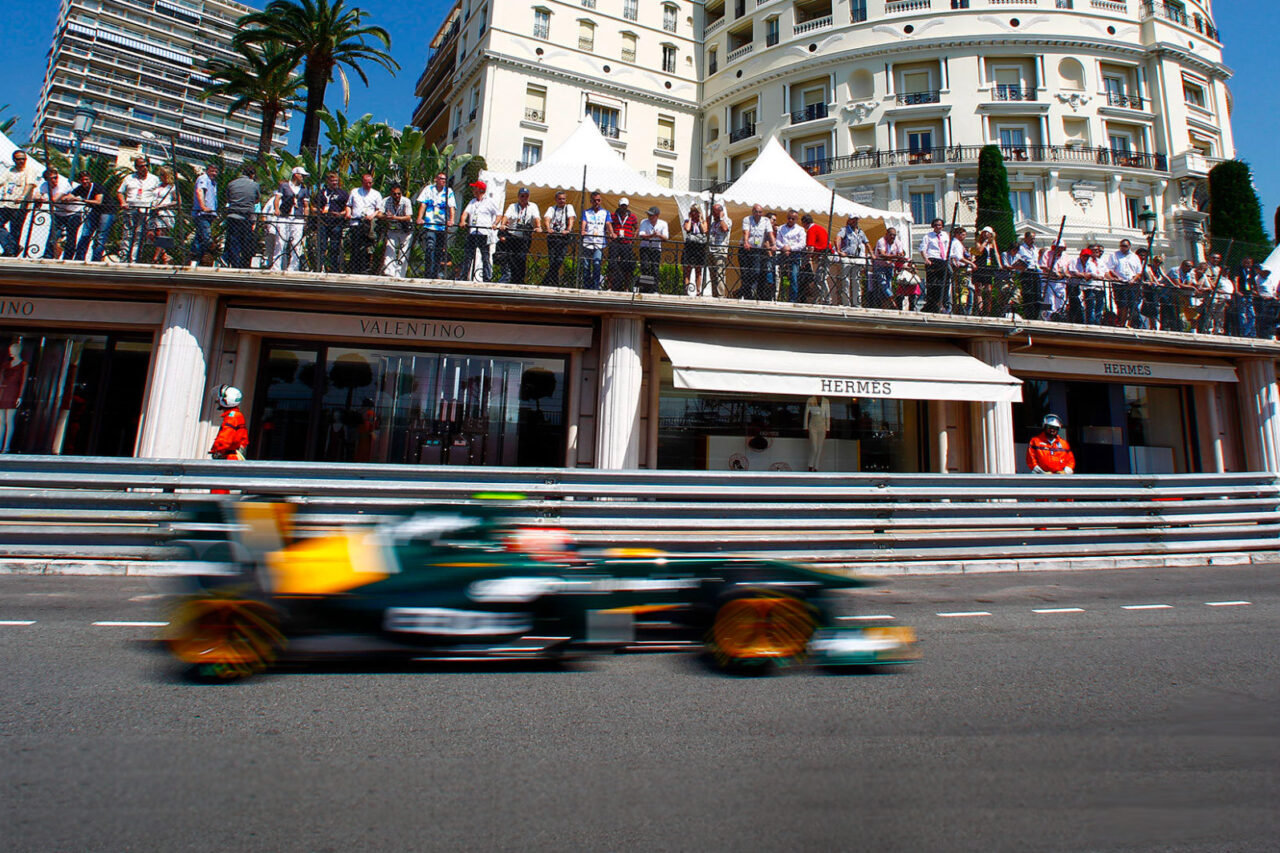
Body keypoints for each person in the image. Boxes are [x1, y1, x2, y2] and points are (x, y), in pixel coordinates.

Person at [414, 171, 456, 280]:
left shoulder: (449, 192)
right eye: (441, 178)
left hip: (442, 226)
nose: (443, 181)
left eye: (444, 179)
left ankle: (435, 273)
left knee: (438, 251)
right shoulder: (428, 189)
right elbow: (423, 204)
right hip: (430, 224)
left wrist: (451, 220)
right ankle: (428, 273)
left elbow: (452, 207)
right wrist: (420, 217)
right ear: (436, 179)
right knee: (430, 247)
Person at [0, 150, 42, 257]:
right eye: (19, 159)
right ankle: (13, 247)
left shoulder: (29, 170)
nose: (21, 161)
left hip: (20, 206)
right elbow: (1, 181)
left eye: (23, 159)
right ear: (14, 160)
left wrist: (22, 197)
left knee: (16, 229)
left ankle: (11, 250)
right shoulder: (10, 170)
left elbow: (30, 185)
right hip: (6, 203)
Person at [117, 157, 160, 262]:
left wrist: (155, 205)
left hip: (145, 210)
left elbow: (158, 194)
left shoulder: (154, 179)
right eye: (141, 166)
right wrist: (123, 202)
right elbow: (120, 192)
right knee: (127, 234)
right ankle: (124, 258)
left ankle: (133, 259)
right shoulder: (129, 178)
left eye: (146, 165)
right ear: (136, 167)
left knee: (139, 235)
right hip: (131, 207)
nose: (144, 168)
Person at [458, 180, 500, 282]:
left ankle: (487, 277)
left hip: (484, 233)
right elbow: (465, 213)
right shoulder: (472, 202)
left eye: (475, 188)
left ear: (480, 190)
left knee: (485, 256)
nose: (473, 190)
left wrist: (495, 223)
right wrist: (463, 221)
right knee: (468, 256)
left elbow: (498, 214)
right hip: (473, 232)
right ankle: (463, 276)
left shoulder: (489, 202)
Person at [269, 166, 310, 271]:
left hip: (298, 218)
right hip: (284, 216)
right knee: (280, 242)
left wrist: (305, 219)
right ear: (296, 175)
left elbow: (306, 205)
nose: (303, 178)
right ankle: (276, 266)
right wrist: (277, 209)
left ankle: (293, 267)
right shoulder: (284, 186)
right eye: (302, 175)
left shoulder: (304, 190)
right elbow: (277, 198)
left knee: (296, 243)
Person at [209, 385, 248, 494]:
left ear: (226, 401)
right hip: (231, 457)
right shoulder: (236, 415)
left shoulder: (232, 417)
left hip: (226, 458)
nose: (217, 400)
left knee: (219, 491)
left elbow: (224, 440)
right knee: (223, 489)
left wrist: (217, 451)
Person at [222, 164, 261, 269]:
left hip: (233, 215)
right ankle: (243, 264)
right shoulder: (254, 185)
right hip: (246, 217)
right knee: (245, 241)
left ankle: (233, 262)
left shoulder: (231, 184)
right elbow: (257, 199)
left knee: (233, 241)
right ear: (252, 175)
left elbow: (228, 198)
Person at [499, 187, 540, 285]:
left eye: (526, 196)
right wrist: (503, 224)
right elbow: (506, 216)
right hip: (513, 236)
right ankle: (513, 279)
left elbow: (537, 217)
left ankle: (520, 279)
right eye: (522, 196)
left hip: (525, 237)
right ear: (518, 196)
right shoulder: (513, 206)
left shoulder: (533, 206)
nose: (524, 198)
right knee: (511, 258)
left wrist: (538, 227)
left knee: (522, 258)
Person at [36, 166, 79, 260]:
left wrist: (44, 199)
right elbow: (39, 194)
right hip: (59, 212)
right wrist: (39, 197)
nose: (55, 180)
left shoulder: (63, 184)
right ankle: (48, 255)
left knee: (71, 237)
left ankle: (68, 258)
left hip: (73, 212)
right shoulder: (44, 185)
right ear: (47, 180)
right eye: (51, 178)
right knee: (53, 234)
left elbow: (55, 199)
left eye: (56, 177)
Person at [345, 172, 383, 275]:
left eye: (370, 183)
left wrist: (372, 215)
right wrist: (348, 213)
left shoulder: (376, 194)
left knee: (367, 247)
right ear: (362, 182)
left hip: (368, 224)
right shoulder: (355, 192)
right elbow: (349, 205)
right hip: (356, 222)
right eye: (366, 183)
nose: (369, 185)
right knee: (355, 246)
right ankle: (354, 269)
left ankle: (365, 269)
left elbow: (379, 210)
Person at [1102, 239, 1145, 329]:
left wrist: (1133, 280)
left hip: (1132, 284)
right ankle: (1121, 323)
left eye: (1125, 246)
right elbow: (1110, 268)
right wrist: (1117, 278)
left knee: (1132, 304)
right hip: (1120, 284)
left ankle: (1132, 324)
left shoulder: (1135, 257)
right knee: (1122, 305)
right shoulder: (1114, 255)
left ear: (1129, 246)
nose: (1123, 248)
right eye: (1121, 246)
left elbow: (1138, 272)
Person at [315, 171, 349, 273]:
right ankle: (319, 267)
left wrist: (341, 214)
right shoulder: (321, 193)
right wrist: (319, 212)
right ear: (328, 181)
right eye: (332, 181)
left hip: (337, 224)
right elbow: (315, 206)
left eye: (336, 181)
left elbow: (347, 207)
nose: (334, 183)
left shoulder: (342, 193)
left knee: (335, 247)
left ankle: (334, 269)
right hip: (324, 223)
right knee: (322, 246)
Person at [541, 190, 576, 287]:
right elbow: (547, 219)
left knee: (559, 259)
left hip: (563, 237)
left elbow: (571, 219)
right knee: (552, 260)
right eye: (560, 199)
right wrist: (548, 228)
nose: (562, 201)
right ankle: (554, 284)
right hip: (553, 237)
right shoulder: (552, 208)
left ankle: (545, 282)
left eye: (563, 199)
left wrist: (568, 229)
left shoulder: (569, 207)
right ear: (556, 199)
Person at [739, 204, 774, 300]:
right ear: (752, 212)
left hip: (757, 250)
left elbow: (770, 233)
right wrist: (746, 242)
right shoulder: (747, 219)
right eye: (756, 212)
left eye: (760, 212)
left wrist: (773, 244)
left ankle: (749, 292)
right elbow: (746, 232)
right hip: (746, 249)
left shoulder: (766, 221)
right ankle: (746, 294)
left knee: (756, 272)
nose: (758, 214)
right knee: (745, 273)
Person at [833, 214, 868, 307]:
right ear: (849, 220)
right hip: (847, 257)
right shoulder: (844, 230)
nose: (855, 221)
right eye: (853, 219)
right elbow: (837, 238)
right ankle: (846, 303)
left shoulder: (860, 232)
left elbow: (866, 242)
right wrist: (839, 250)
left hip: (856, 258)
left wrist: (871, 254)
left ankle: (857, 303)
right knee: (846, 282)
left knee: (856, 281)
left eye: (856, 219)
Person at [379, 182, 413, 277]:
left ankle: (400, 274)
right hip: (393, 229)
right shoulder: (386, 201)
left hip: (406, 230)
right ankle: (389, 272)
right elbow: (379, 214)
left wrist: (394, 217)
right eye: (394, 194)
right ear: (391, 193)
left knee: (404, 252)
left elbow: (408, 217)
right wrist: (386, 216)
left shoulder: (406, 201)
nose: (397, 196)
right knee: (390, 249)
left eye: (399, 194)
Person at [69, 171, 105, 262]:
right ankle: (79, 258)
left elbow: (98, 201)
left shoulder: (97, 187)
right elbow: (70, 196)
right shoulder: (80, 188)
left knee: (101, 235)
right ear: (79, 181)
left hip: (106, 211)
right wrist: (66, 198)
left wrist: (82, 200)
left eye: (86, 179)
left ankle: (96, 259)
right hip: (93, 211)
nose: (85, 182)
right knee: (85, 234)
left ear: (90, 179)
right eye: (82, 180)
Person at [919, 218, 951, 313]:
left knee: (944, 282)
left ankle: (942, 303)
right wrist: (926, 259)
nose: (938, 227)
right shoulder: (928, 236)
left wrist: (950, 259)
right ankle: (931, 304)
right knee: (932, 284)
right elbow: (922, 249)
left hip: (943, 260)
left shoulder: (945, 235)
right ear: (933, 226)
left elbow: (948, 247)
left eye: (940, 225)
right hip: (933, 259)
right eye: (936, 225)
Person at [774, 210, 807, 302]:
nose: (791, 220)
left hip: (795, 254)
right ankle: (777, 297)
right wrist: (784, 248)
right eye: (789, 218)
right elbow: (777, 241)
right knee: (777, 274)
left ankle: (793, 299)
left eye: (793, 219)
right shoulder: (781, 228)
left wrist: (790, 248)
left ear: (796, 219)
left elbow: (802, 243)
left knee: (794, 276)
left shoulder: (800, 230)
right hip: (782, 253)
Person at [579, 191, 609, 290]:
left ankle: (596, 285)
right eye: (595, 200)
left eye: (598, 200)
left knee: (597, 264)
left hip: (599, 242)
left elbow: (608, 224)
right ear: (591, 201)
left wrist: (612, 232)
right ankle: (586, 286)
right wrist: (583, 230)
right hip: (588, 241)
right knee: (586, 265)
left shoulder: (605, 212)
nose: (597, 202)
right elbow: (584, 222)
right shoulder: (586, 212)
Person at [873, 226, 910, 309]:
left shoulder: (897, 242)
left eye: (894, 235)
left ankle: (886, 305)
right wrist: (895, 256)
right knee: (883, 283)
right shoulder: (881, 241)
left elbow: (901, 254)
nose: (892, 237)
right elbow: (882, 255)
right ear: (886, 234)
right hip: (880, 265)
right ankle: (893, 299)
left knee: (888, 285)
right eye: (891, 235)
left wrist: (896, 256)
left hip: (890, 266)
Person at [607, 197, 638, 292]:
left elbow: (636, 228)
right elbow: (608, 225)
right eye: (622, 206)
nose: (623, 208)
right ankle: (610, 286)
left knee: (627, 266)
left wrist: (633, 239)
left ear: (628, 206)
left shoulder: (632, 217)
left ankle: (627, 287)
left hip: (626, 244)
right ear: (619, 206)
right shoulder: (613, 216)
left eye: (625, 206)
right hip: (615, 243)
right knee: (612, 264)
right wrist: (610, 236)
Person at [190, 163, 219, 266]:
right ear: (207, 170)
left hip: (210, 214)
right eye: (212, 171)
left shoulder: (213, 182)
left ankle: (195, 259)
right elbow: (199, 191)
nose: (214, 173)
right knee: (207, 237)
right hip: (202, 213)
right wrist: (203, 207)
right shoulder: (203, 179)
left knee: (200, 237)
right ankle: (195, 255)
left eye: (216, 171)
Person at [148, 167, 177, 264]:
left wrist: (164, 206)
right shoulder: (157, 186)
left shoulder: (172, 188)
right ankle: (165, 255)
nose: (160, 177)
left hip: (164, 213)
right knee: (150, 234)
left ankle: (155, 258)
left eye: (162, 175)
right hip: (154, 212)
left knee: (160, 235)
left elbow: (177, 201)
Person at [972, 227, 1004, 316]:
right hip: (979, 266)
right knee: (978, 289)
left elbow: (996, 253)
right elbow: (979, 250)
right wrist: (985, 242)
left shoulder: (992, 243)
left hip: (988, 267)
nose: (986, 234)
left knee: (988, 289)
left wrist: (999, 264)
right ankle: (980, 309)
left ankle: (988, 311)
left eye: (987, 233)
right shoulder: (979, 242)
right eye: (984, 232)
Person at [1196, 252, 1231, 334]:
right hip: (1211, 291)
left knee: (1220, 312)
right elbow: (1209, 279)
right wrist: (1215, 288)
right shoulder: (1207, 267)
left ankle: (1218, 329)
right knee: (1210, 311)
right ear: (1210, 258)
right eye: (1214, 258)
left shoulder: (1218, 268)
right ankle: (1208, 329)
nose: (1216, 260)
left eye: (1218, 258)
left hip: (1219, 292)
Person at [1009, 230, 1041, 320]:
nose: (1033, 241)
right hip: (1026, 272)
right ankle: (1029, 315)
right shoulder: (1021, 248)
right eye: (1031, 238)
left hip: (1035, 271)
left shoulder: (1035, 248)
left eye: (1034, 239)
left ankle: (1036, 315)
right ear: (1026, 238)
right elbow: (1017, 259)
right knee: (1028, 295)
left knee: (1037, 294)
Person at [637, 206, 668, 293]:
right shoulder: (644, 222)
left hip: (656, 248)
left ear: (657, 216)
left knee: (655, 268)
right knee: (645, 267)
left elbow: (666, 238)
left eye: (652, 215)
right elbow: (641, 235)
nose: (649, 217)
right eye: (649, 215)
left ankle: (654, 289)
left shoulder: (663, 224)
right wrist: (651, 236)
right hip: (645, 247)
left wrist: (658, 235)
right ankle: (644, 288)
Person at [947, 227, 976, 314]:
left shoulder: (955, 243)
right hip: (960, 269)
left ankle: (959, 305)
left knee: (959, 288)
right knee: (962, 288)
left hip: (958, 268)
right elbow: (959, 257)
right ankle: (961, 306)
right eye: (963, 235)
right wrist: (971, 263)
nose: (964, 237)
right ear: (957, 234)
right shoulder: (957, 243)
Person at [802, 214, 830, 303]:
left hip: (823, 255)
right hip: (826, 254)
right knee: (821, 278)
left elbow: (811, 247)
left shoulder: (811, 230)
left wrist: (806, 260)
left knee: (820, 279)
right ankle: (821, 299)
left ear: (804, 223)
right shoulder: (820, 228)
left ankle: (827, 300)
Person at [707, 202, 732, 298]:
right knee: (712, 274)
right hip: (711, 249)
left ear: (720, 212)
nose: (712, 214)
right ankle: (714, 294)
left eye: (714, 212)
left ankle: (721, 295)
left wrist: (721, 218)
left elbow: (725, 228)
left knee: (719, 274)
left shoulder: (726, 221)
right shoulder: (714, 223)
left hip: (720, 250)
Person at [1038, 241, 1068, 321]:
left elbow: (1067, 268)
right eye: (1057, 248)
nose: (1059, 250)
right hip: (1049, 280)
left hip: (1061, 282)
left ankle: (1059, 316)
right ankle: (1048, 317)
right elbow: (1043, 266)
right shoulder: (1047, 254)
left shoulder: (1065, 256)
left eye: (1061, 248)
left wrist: (1063, 274)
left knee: (1061, 300)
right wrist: (1053, 273)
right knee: (1049, 299)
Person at [681, 205, 707, 296]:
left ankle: (698, 291)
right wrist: (690, 218)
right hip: (690, 247)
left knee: (698, 270)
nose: (694, 213)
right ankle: (686, 290)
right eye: (692, 211)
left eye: (696, 211)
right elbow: (687, 229)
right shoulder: (688, 221)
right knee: (687, 269)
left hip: (699, 249)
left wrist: (700, 219)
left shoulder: (703, 222)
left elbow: (704, 230)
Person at [1231, 257, 1259, 338]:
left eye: (1249, 263)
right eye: (1246, 262)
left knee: (1252, 314)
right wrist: (1236, 290)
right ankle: (1243, 332)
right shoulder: (1239, 269)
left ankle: (1248, 331)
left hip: (1249, 293)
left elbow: (1253, 281)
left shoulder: (1251, 271)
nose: (1247, 264)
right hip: (1242, 293)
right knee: (1242, 313)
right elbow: (1236, 279)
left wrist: (1255, 290)